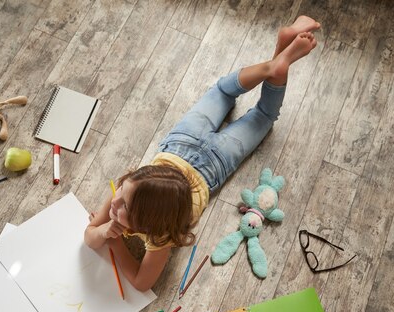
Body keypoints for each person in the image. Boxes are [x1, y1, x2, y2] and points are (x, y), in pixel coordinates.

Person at [85, 16, 320, 291]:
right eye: (121, 194)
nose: (114, 205)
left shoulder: (160, 234)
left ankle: (277, 63)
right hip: (180, 145)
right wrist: (105, 230)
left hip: (210, 162)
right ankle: (275, 62)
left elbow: (139, 283)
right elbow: (91, 236)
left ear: (151, 221)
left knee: (261, 114)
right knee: (222, 90)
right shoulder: (130, 191)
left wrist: (111, 239)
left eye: (123, 204)